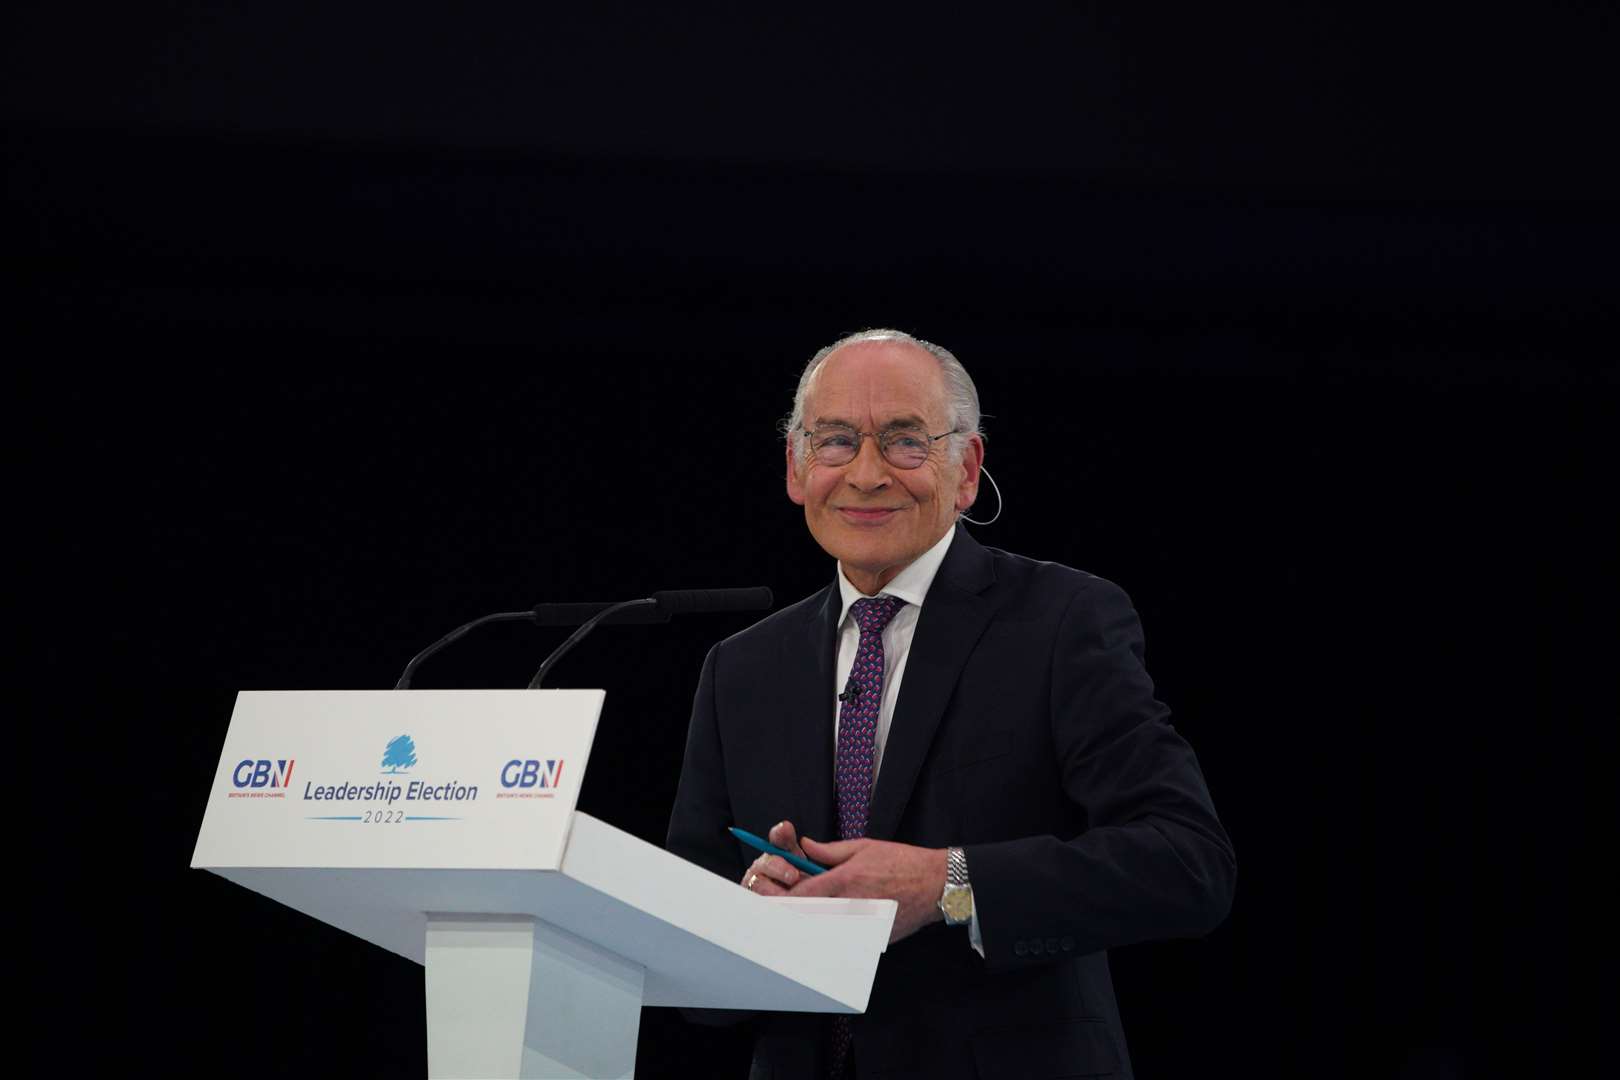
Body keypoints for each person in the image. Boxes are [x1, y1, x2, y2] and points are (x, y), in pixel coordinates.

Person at [666, 329, 1235, 1080]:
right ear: (796, 469)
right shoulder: (740, 668)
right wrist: (749, 919)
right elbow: (686, 963)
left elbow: (1187, 865)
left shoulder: (1061, 621)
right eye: (835, 441)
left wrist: (949, 885)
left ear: (965, 470)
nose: (865, 475)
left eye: (904, 442)